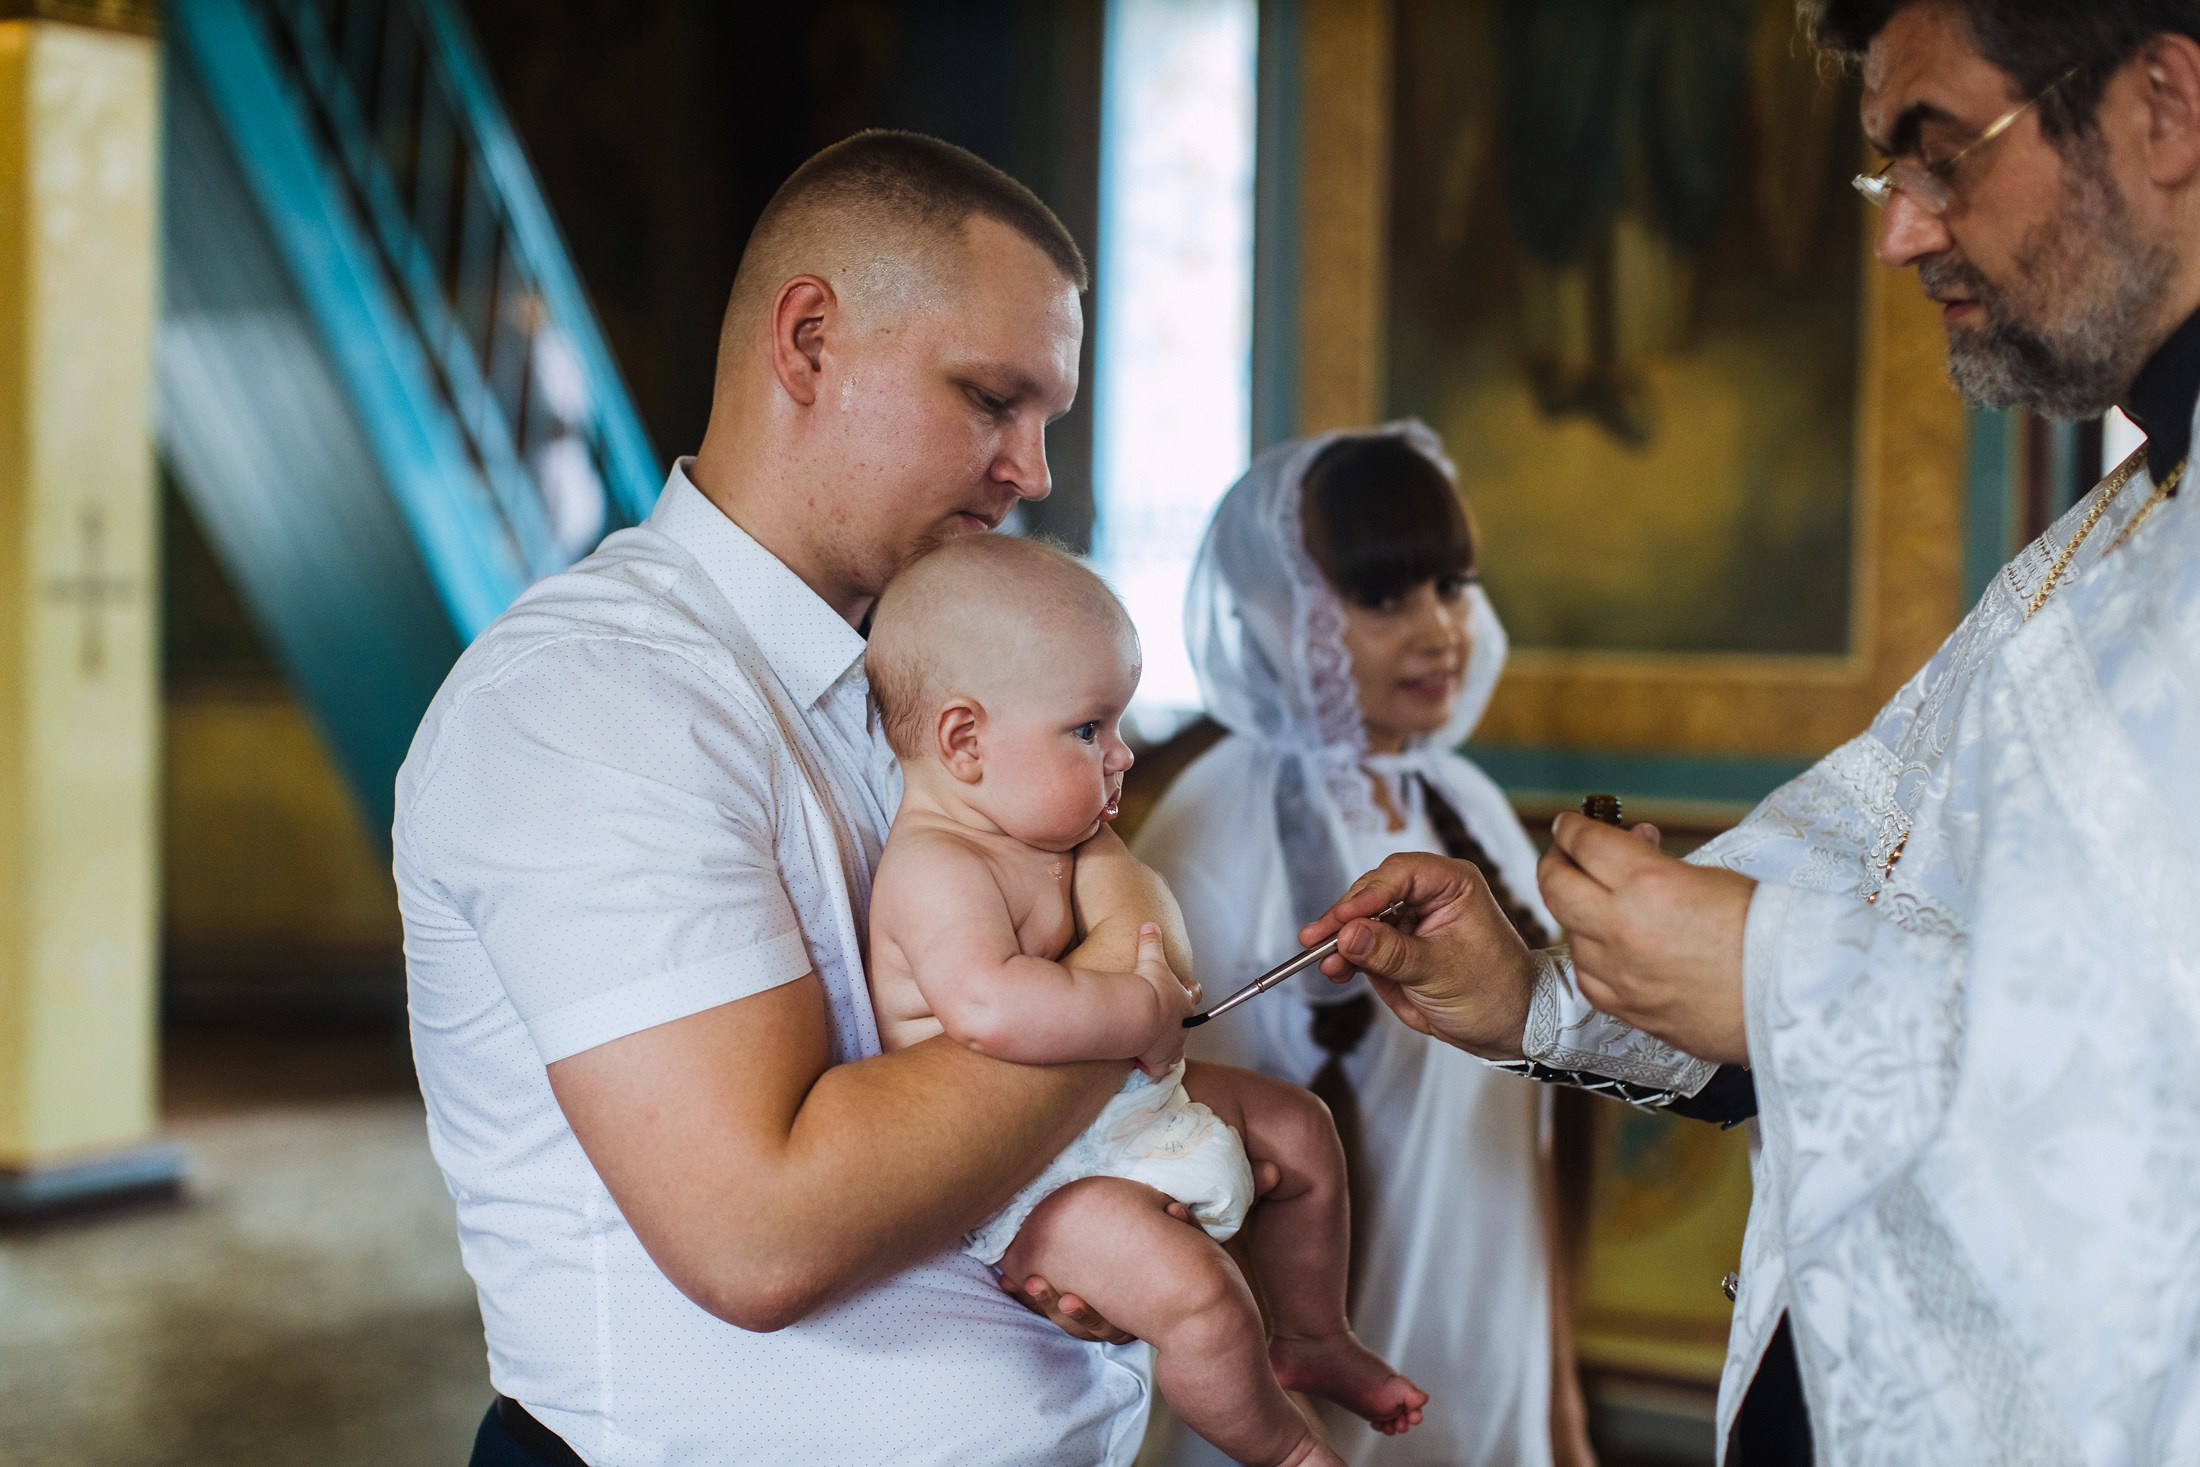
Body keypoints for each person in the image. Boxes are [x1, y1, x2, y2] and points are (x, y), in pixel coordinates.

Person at [1297, 4, 2200, 1462]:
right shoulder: (2106, 537)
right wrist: (1542, 988)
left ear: (2165, 103)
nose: (1904, 235)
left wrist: (1770, 969)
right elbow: (1877, 885)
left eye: (1939, 154)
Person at [396, 131, 1185, 1467]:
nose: (1033, 469)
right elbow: (762, 1229)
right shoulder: (597, 692)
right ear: (811, 341)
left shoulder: (954, 665)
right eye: (994, 397)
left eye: (1046, 417)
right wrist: (1132, 992)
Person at [864, 533, 1426, 1467]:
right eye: (1089, 729)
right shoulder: (936, 866)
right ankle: (1286, 1450)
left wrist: (1145, 1000)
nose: (1121, 754)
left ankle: (1314, 1332)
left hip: (1118, 1103)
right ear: (964, 741)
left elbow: (1148, 922)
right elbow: (989, 1009)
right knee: (1197, 1298)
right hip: (1024, 1177)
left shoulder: (1060, 832)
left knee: (1302, 1128)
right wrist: (1139, 1010)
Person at [1134, 423, 1594, 1467]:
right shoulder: (1218, 820)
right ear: (1273, 611)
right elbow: (1174, 1140)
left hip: (1486, 1339)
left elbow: (1528, 1145)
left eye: (1451, 587)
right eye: (1385, 599)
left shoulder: (1462, 800)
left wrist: (1560, 1414)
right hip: (1306, 1389)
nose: (1440, 631)